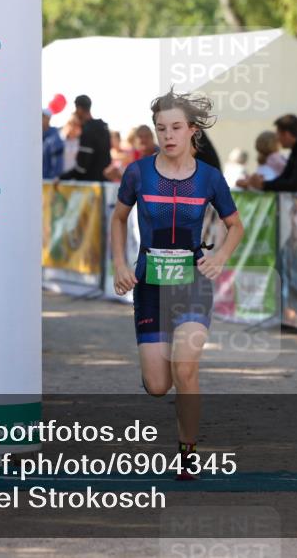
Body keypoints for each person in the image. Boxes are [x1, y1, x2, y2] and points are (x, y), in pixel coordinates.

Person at [110, 89, 243, 479]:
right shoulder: (138, 173)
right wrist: (120, 264)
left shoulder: (209, 178)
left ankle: (188, 453)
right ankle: (162, 354)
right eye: (161, 128)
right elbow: (119, 218)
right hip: (150, 286)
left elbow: (235, 226)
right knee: (156, 384)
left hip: (193, 281)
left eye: (176, 128)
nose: (168, 136)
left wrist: (219, 257)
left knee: (185, 368)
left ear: (192, 131)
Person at [60, 94, 111, 182]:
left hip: (90, 185)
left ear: (79, 109)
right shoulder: (103, 128)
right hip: (102, 183)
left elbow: (82, 168)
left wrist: (61, 178)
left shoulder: (88, 131)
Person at [42, 107, 64, 179]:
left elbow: (58, 160)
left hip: (48, 182)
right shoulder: (35, 135)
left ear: (48, 118)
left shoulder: (55, 138)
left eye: (43, 116)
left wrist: (55, 176)